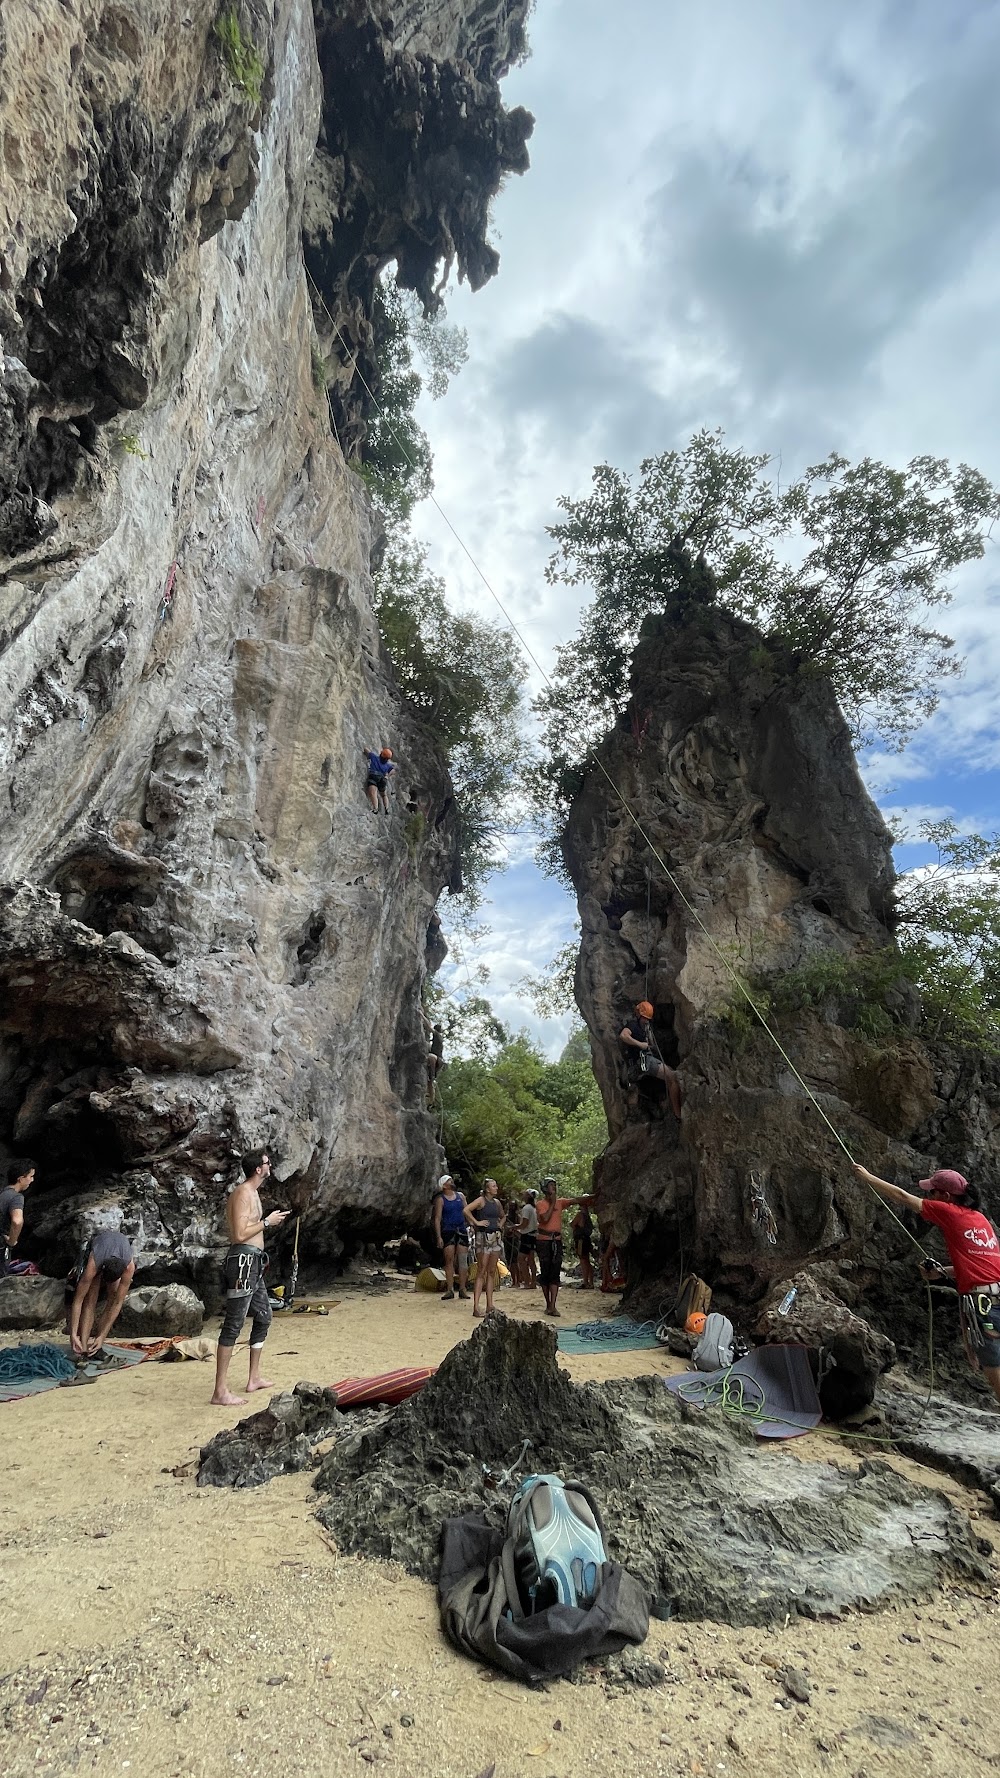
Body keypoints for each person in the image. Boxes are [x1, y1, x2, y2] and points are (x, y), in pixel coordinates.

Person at [854, 1161, 1000, 1406]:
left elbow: (902, 1196)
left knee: (995, 1373)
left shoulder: (949, 1211)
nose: (927, 1195)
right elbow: (985, 1264)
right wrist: (942, 1273)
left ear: (945, 1195)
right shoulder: (980, 1220)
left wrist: (868, 1177)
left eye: (931, 1192)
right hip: (995, 1297)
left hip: (982, 1305)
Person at [212, 1149, 289, 1407]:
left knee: (264, 1316)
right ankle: (220, 1391)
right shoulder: (243, 1193)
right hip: (243, 1261)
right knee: (234, 1323)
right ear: (259, 1168)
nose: (270, 1165)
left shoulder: (254, 1193)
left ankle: (253, 1377)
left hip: (254, 1262)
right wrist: (267, 1223)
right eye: (267, 1162)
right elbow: (239, 1234)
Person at [67, 1230, 136, 1357]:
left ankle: (97, 1345)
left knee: (114, 1296)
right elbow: (78, 1300)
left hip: (116, 1251)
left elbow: (118, 1302)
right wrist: (73, 1334)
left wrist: (102, 1336)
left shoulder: (129, 1267)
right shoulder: (94, 1265)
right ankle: (83, 1346)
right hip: (100, 1247)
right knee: (91, 1298)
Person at [536, 1178, 595, 1317]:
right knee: (545, 1273)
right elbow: (545, 1219)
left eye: (554, 1186)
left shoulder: (561, 1202)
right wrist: (552, 1203)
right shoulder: (540, 1204)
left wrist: (593, 1196)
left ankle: (552, 1306)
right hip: (544, 1241)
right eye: (551, 1186)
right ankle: (548, 1304)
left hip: (556, 1240)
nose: (553, 1188)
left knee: (555, 1272)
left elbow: (576, 1200)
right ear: (545, 1188)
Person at [619, 1000, 682, 1119]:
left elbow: (652, 1045)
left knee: (670, 1072)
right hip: (641, 1062)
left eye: (648, 1019)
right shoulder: (633, 1025)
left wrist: (649, 1042)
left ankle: (670, 1106)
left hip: (646, 1060)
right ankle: (678, 1114)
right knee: (672, 1077)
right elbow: (623, 1035)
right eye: (644, 1018)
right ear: (638, 1015)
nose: (646, 1020)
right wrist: (640, 1044)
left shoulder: (645, 1028)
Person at [465, 1179, 506, 1317]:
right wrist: (476, 1222)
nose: (496, 1187)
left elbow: (503, 1215)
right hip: (483, 1237)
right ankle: (476, 1307)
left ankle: (490, 1304)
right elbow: (466, 1210)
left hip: (495, 1237)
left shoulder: (497, 1203)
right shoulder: (481, 1201)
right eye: (494, 1186)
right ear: (488, 1189)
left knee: (492, 1271)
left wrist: (501, 1224)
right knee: (481, 1270)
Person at [432, 1173, 470, 1301]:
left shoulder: (461, 1196)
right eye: (449, 1180)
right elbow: (437, 1219)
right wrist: (439, 1237)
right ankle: (450, 1289)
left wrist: (472, 1225)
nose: (452, 1181)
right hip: (448, 1231)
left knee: (462, 1261)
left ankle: (463, 1289)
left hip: (461, 1230)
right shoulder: (441, 1200)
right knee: (449, 1260)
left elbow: (467, 1211)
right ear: (444, 1185)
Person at [1, 1157, 34, 1273]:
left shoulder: (2, 1193)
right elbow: (17, 1221)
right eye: (30, 1176)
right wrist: (11, 1241)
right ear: (20, 1179)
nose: (32, 1180)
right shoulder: (16, 1197)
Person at [362, 745, 395, 813]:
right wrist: (387, 776)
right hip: (382, 779)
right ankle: (387, 808)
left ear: (381, 754)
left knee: (373, 793)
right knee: (384, 795)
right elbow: (393, 771)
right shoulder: (388, 765)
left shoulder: (374, 757)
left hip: (373, 777)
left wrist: (365, 748)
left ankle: (375, 809)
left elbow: (366, 749)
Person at [572, 1203, 596, 1289]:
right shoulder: (588, 1216)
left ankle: (585, 1282)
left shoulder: (580, 1215)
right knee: (587, 1260)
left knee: (583, 1260)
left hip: (581, 1240)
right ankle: (591, 1282)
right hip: (587, 1240)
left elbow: (572, 1224)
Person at [518, 1190, 538, 1289]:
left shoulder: (526, 1208)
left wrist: (515, 1227)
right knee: (531, 1260)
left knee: (521, 1259)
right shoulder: (535, 1208)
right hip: (534, 1235)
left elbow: (524, 1224)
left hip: (526, 1236)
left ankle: (527, 1281)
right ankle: (533, 1282)